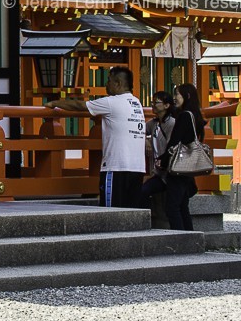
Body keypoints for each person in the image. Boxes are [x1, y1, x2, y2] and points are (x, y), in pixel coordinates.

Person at [47, 65, 147, 209]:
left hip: (116, 167)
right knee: (131, 212)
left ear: (118, 84)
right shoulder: (136, 103)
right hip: (137, 168)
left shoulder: (111, 102)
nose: (106, 84)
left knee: (112, 212)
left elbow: (79, 105)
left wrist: (54, 103)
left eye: (109, 80)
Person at [163, 82, 208, 231]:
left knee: (172, 206)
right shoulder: (196, 115)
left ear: (186, 96)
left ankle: (180, 238)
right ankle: (190, 236)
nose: (174, 97)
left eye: (177, 94)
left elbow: (175, 141)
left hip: (180, 165)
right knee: (182, 205)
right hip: (190, 165)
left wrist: (163, 159)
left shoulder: (184, 116)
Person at [140, 90, 176, 210]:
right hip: (159, 172)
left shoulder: (171, 123)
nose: (153, 105)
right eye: (152, 102)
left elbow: (173, 146)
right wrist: (146, 140)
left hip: (170, 171)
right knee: (142, 191)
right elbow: (140, 131)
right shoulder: (154, 123)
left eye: (157, 102)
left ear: (167, 105)